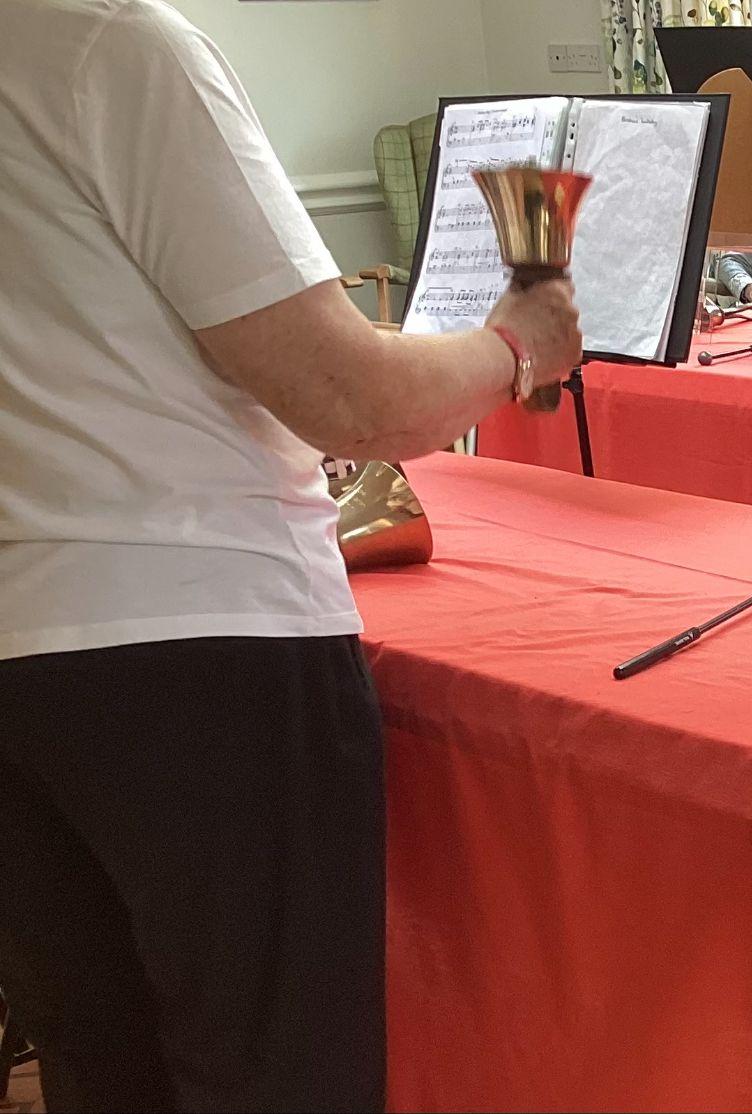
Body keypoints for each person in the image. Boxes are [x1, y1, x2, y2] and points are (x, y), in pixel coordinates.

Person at [0, 2, 582, 1110]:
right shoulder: (118, 44)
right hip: (192, 644)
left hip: (20, 651)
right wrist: (515, 346)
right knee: (273, 1077)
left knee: (104, 1068)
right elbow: (347, 398)